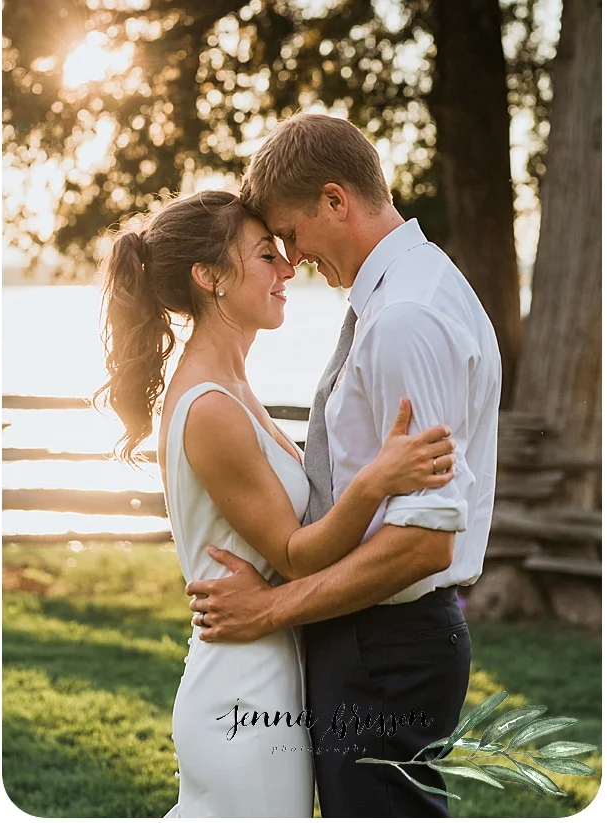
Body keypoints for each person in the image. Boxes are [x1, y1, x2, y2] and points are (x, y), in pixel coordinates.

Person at [102, 188, 457, 816]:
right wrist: (376, 482)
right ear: (209, 277)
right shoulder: (211, 407)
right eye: (266, 255)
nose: (289, 269)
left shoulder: (233, 388)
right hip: (242, 688)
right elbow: (294, 556)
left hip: (271, 671)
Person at [187, 114, 502, 817]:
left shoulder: (405, 317)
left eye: (292, 236)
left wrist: (270, 608)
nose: (292, 263)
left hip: (384, 646)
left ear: (336, 200)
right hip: (375, 638)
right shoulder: (407, 293)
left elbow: (424, 539)